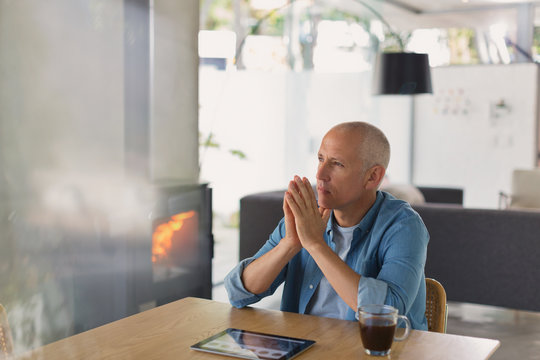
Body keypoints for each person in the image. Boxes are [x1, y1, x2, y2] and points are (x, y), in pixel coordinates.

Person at [224, 121, 429, 330]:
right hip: (305, 347)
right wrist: (290, 243)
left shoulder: (404, 226)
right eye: (320, 159)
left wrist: (315, 244)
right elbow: (238, 293)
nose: (320, 174)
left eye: (337, 164)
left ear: (373, 176)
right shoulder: (305, 217)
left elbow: (387, 312)